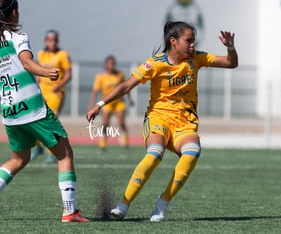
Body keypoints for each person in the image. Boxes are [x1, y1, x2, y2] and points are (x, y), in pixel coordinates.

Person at [87, 21, 238, 221]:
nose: (193, 45)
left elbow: (231, 63)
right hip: (158, 118)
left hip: (185, 122)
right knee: (155, 154)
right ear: (173, 41)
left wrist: (230, 47)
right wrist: (100, 104)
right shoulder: (155, 63)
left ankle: (163, 202)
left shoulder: (196, 58)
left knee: (192, 153)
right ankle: (124, 204)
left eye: (193, 41)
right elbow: (126, 86)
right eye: (189, 41)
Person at [0, 0, 88, 222]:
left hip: (9, 111)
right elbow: (27, 63)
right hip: (33, 109)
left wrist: (3, 86)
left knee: (19, 158)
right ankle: (70, 211)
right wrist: (47, 71)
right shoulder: (18, 37)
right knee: (65, 154)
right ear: (15, 12)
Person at [30, 30, 72, 163]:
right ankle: (37, 147)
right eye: (49, 40)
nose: (52, 43)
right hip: (42, 91)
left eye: (54, 40)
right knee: (34, 119)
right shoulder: (41, 54)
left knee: (49, 121)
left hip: (56, 93)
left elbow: (69, 75)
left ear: (57, 41)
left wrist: (59, 86)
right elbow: (39, 72)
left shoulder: (63, 55)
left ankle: (52, 153)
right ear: (46, 41)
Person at [89, 55, 133, 150]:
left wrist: (130, 100)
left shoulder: (119, 75)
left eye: (113, 63)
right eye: (110, 63)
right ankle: (103, 144)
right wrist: (92, 105)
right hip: (106, 103)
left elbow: (125, 87)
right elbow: (95, 91)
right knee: (105, 123)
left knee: (121, 123)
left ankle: (125, 142)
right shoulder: (100, 76)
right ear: (106, 64)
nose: (112, 65)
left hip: (119, 103)